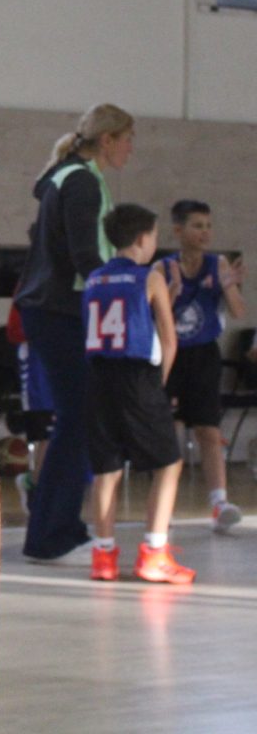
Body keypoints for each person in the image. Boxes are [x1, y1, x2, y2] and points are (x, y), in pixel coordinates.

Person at [14, 103, 135, 563]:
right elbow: (85, 256)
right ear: (107, 139)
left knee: (77, 419)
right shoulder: (81, 181)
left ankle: (55, 530)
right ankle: (52, 537)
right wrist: (125, 289)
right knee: (79, 419)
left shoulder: (69, 176)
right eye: (127, 139)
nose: (130, 149)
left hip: (51, 309)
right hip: (60, 311)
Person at [84, 204, 193, 584]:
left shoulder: (94, 278)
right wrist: (157, 384)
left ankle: (103, 556)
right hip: (137, 376)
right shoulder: (150, 277)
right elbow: (169, 339)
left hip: (97, 377)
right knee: (168, 463)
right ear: (143, 238)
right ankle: (154, 552)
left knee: (107, 469)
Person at [155, 199, 247, 532]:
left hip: (205, 355)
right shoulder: (162, 268)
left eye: (208, 226)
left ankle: (219, 503)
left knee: (209, 429)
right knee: (171, 430)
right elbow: (154, 315)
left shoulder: (217, 264)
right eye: (197, 226)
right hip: (171, 354)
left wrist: (228, 286)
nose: (205, 232)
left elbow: (238, 312)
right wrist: (170, 292)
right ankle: (162, 506)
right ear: (178, 230)